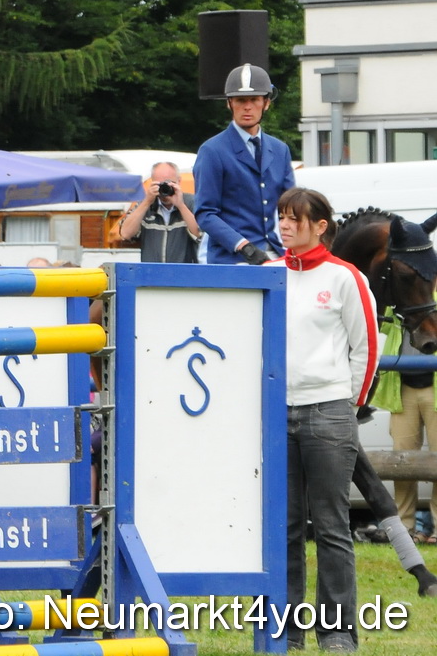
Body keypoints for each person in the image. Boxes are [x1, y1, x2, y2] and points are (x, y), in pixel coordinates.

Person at [275, 188, 376, 651]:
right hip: (276, 412)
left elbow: (367, 348)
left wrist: (345, 405)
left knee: (333, 527)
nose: (285, 225)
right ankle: (288, 629)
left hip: (329, 411)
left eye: (296, 218)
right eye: (281, 217)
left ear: (321, 226)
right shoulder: (268, 275)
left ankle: (337, 632)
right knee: (286, 526)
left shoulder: (345, 278)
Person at [193, 64, 295, 264]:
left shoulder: (280, 149)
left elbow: (293, 205)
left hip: (275, 252)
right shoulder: (212, 151)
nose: (247, 107)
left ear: (266, 103)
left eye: (254, 100)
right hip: (232, 256)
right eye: (241, 100)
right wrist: (244, 246)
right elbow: (206, 214)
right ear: (229, 103)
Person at [116, 161, 200, 262]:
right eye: (160, 184)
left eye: (170, 183)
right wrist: (147, 202)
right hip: (152, 274)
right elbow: (125, 234)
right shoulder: (145, 205)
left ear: (179, 181)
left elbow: (200, 234)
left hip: (184, 274)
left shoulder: (192, 202)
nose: (165, 189)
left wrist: (181, 206)